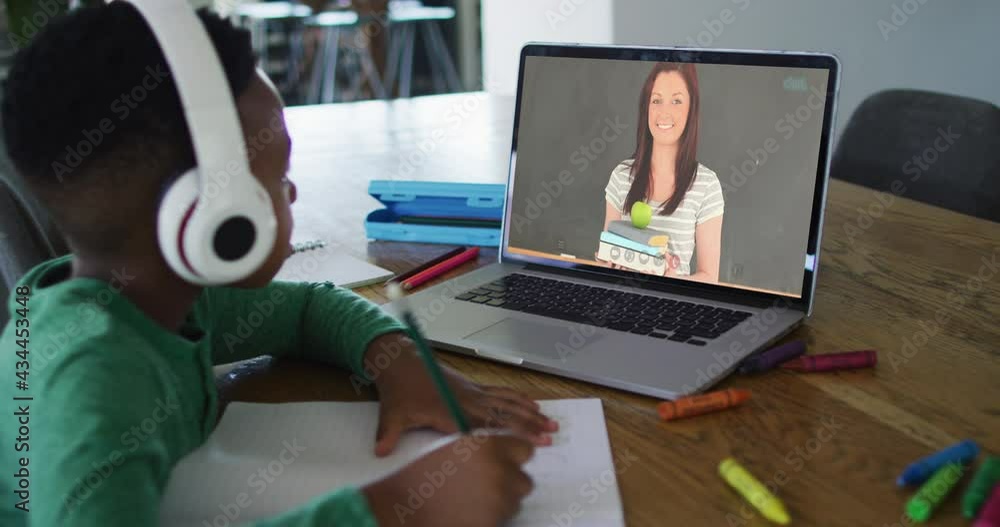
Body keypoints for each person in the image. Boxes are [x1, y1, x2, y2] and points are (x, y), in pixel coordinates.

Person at [0, 4, 555, 526]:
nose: (290, 193)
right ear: (216, 212)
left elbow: (309, 308)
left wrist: (397, 360)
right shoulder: (91, 383)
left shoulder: (164, 298)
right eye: (276, 174)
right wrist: (398, 508)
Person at [602, 62, 725, 283]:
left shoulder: (706, 185)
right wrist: (610, 265)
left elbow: (709, 276)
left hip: (673, 304)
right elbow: (606, 255)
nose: (664, 112)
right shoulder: (621, 176)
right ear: (646, 108)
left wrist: (670, 280)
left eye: (676, 101)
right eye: (656, 100)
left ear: (691, 110)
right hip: (619, 301)